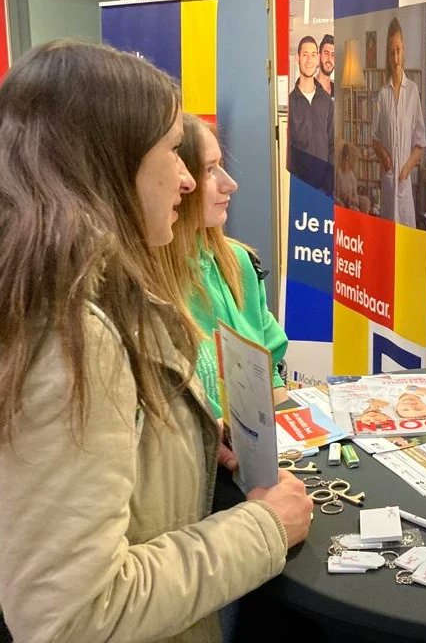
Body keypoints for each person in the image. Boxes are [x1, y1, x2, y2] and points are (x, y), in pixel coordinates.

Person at [0, 40, 313, 643]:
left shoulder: (82, 292)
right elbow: (74, 615)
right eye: (174, 151)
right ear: (112, 161)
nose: (191, 179)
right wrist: (265, 529)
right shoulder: (70, 332)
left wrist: (191, 433)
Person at [164, 113, 289, 420]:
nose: (230, 184)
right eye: (209, 170)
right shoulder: (145, 285)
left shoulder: (238, 263)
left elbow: (273, 381)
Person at [372, 17, 426, 227]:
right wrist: (383, 155)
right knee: (386, 234)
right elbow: (375, 138)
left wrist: (405, 170)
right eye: (390, 52)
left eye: (398, 50)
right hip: (387, 180)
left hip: (403, 181)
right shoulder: (382, 94)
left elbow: (420, 143)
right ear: (387, 55)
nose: (395, 57)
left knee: (406, 234)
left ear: (403, 49)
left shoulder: (413, 91)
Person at [287, 35, 334, 195]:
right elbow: (288, 150)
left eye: (313, 54)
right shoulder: (290, 103)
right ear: (297, 58)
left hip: (324, 188)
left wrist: (328, 183)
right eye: (305, 55)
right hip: (299, 187)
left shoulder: (327, 101)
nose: (309, 60)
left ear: (318, 58)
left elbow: (332, 144)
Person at [335, 140, 360, 209]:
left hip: (351, 203)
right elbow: (337, 194)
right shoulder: (339, 173)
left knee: (356, 211)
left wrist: (352, 199)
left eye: (347, 160)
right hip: (342, 203)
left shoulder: (351, 174)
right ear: (341, 160)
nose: (346, 163)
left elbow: (356, 196)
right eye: (344, 160)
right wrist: (341, 200)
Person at [317, 33, 335, 97]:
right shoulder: (309, 87)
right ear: (319, 56)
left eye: (333, 55)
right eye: (326, 53)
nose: (329, 58)